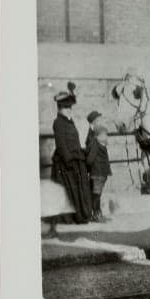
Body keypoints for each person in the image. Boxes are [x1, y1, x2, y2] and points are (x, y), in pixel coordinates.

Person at [50, 83, 93, 224]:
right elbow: (61, 144)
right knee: (70, 189)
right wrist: (68, 160)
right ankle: (70, 217)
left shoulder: (70, 122)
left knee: (79, 189)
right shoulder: (58, 123)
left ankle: (81, 215)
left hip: (76, 159)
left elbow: (74, 140)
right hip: (66, 162)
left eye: (69, 107)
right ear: (59, 108)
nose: (68, 110)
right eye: (65, 108)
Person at [85, 112, 113, 222]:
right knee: (96, 194)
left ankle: (97, 213)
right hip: (97, 172)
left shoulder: (98, 137)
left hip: (99, 172)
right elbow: (90, 156)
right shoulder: (94, 138)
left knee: (97, 193)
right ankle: (96, 214)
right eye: (98, 119)